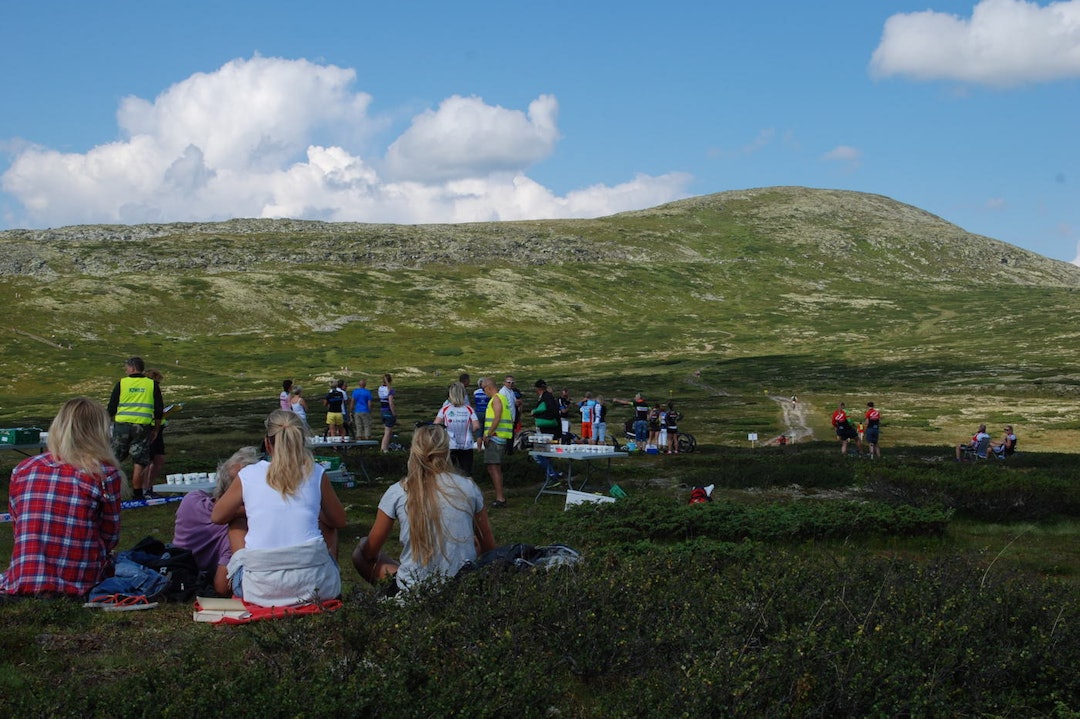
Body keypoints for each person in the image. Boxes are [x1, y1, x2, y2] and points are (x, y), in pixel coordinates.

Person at [211, 410, 347, 606]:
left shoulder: (248, 474)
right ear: (302, 442)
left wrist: (245, 511)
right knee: (328, 523)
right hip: (317, 586)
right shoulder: (316, 473)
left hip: (259, 589)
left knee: (235, 522)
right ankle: (330, 583)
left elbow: (217, 516)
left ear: (267, 443)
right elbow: (339, 520)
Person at [1, 398, 127, 599]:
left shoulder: (22, 469)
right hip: (79, 580)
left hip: (24, 577)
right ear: (100, 432)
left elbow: (18, 527)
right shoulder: (104, 474)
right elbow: (110, 537)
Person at [352, 424, 495, 596]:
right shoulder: (468, 487)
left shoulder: (398, 491)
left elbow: (370, 552)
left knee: (360, 551)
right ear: (446, 451)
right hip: (461, 586)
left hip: (413, 589)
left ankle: (396, 593)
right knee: (474, 542)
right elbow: (489, 548)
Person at [172, 446, 260, 596]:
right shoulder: (234, 531)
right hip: (195, 578)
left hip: (174, 567)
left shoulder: (191, 500)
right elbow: (222, 586)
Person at [107, 356, 164, 500]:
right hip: (142, 427)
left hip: (121, 427)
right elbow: (158, 409)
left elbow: (111, 407)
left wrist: (105, 425)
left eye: (126, 367)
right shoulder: (151, 385)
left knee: (114, 458)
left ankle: (110, 491)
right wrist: (156, 428)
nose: (126, 370)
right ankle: (137, 494)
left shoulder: (122, 383)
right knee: (139, 461)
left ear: (132, 368)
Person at [143, 368, 180, 490]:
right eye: (157, 382)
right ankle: (144, 488)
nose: (158, 385)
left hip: (159, 428)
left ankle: (150, 487)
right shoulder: (146, 391)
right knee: (148, 460)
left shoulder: (154, 390)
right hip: (149, 427)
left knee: (159, 459)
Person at [434, 381, 480, 477]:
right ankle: (467, 490)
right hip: (466, 445)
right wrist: (467, 428)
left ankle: (452, 490)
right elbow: (476, 426)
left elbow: (436, 425)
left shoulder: (445, 409)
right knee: (467, 473)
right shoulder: (469, 409)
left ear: (451, 394)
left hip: (450, 445)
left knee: (450, 473)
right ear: (463, 394)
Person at [479, 377, 512, 507]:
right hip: (498, 437)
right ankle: (499, 496)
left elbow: (497, 417)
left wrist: (488, 434)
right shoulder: (500, 398)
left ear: (488, 387)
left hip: (495, 438)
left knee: (494, 467)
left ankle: (500, 498)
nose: (484, 392)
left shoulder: (497, 399)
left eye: (483, 389)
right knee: (492, 467)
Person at [530, 379, 563, 481]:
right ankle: (551, 473)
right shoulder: (550, 397)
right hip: (553, 431)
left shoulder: (546, 398)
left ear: (537, 389)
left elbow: (550, 413)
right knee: (546, 454)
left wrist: (536, 413)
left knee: (539, 454)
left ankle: (551, 474)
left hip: (548, 432)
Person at [378, 373, 397, 452]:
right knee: (388, 432)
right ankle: (384, 449)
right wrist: (394, 413)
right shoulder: (390, 390)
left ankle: (384, 447)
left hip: (382, 410)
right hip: (388, 411)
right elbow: (391, 403)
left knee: (387, 431)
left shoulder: (380, 388)